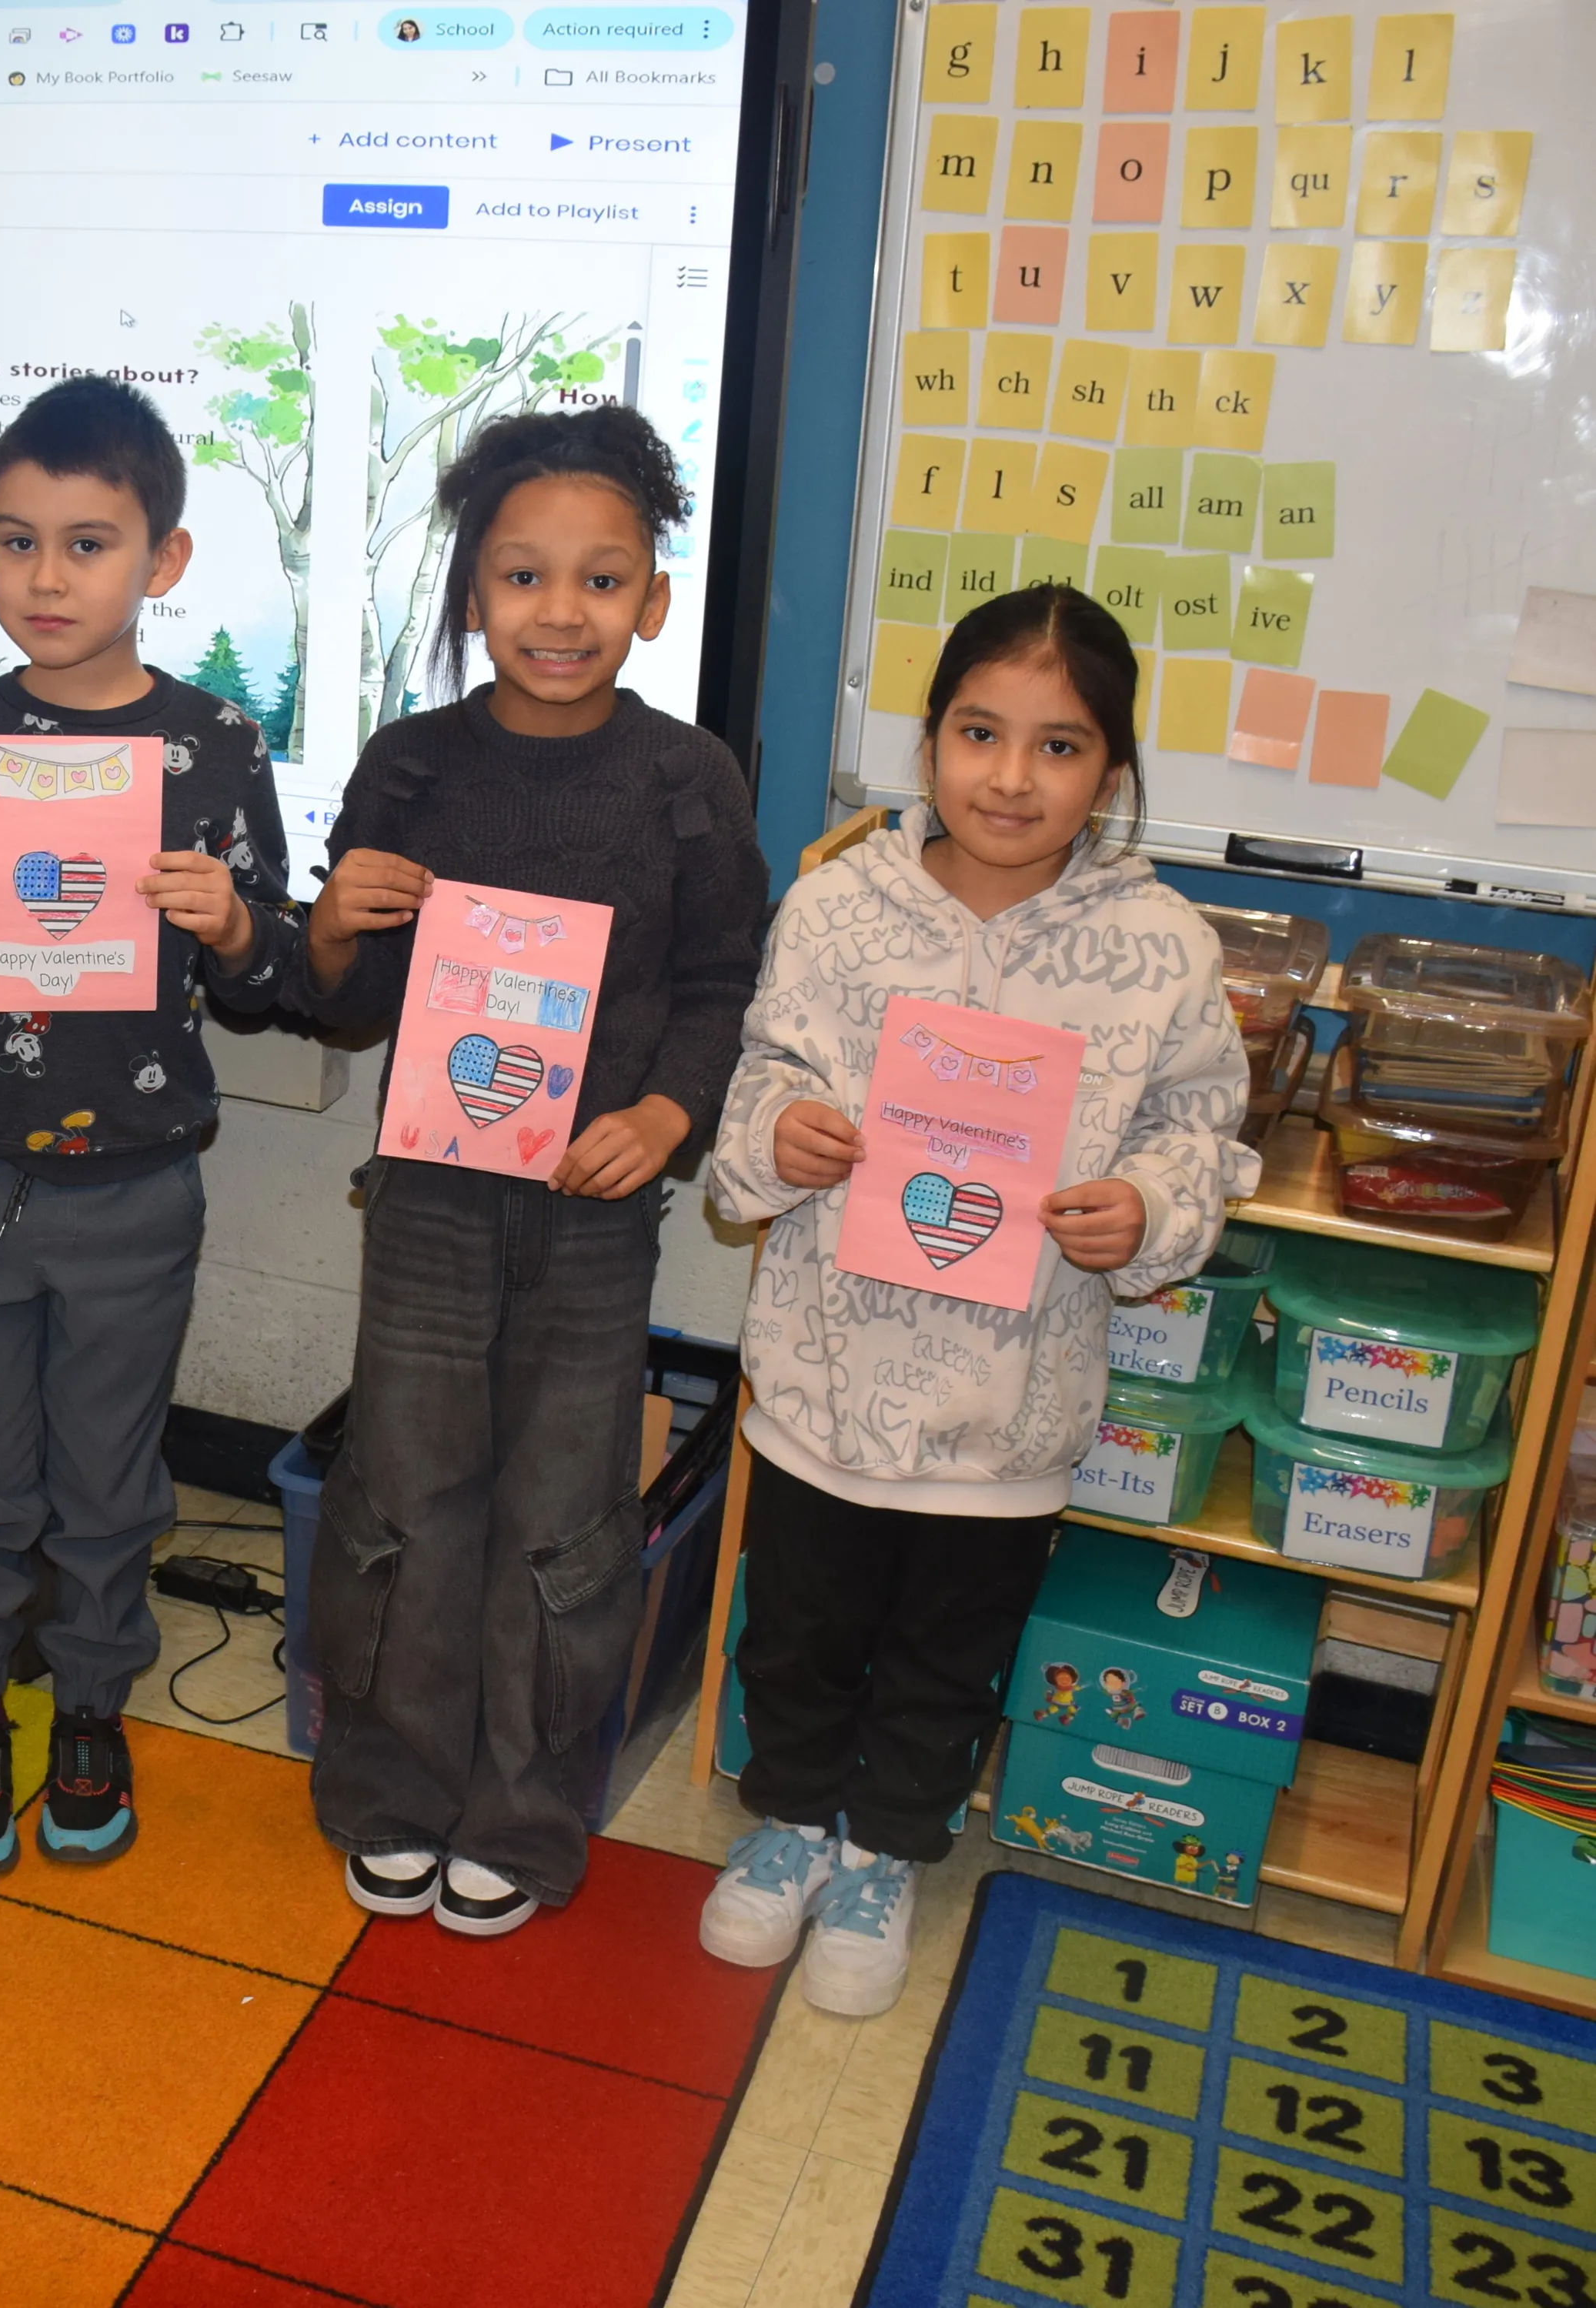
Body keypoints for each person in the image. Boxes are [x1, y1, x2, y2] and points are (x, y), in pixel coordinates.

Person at [701, 582, 1254, 2014]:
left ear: (1111, 770)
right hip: (826, 1372)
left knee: (952, 1644)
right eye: (978, 732)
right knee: (799, 1626)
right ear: (931, 737)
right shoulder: (838, 907)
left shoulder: (1163, 947)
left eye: (1059, 746)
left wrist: (1146, 1208)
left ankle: (887, 1847)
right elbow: (763, 1073)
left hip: (1011, 1398)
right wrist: (782, 1134)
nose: (1011, 777)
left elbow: (1201, 1131)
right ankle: (791, 1818)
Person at [288, 404, 765, 1936]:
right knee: (403, 1502)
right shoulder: (411, 764)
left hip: (592, 1220)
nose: (560, 610)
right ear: (471, 591)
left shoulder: (687, 776)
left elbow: (722, 980)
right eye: (520, 575)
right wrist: (331, 924)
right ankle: (391, 1792)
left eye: (600, 579)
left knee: (563, 1518)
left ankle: (522, 1813)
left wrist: (667, 1116)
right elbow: (349, 1002)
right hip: (428, 1206)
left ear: (652, 600)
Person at [0, 375, 297, 1872]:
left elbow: (271, 977)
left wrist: (233, 924)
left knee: (111, 1477)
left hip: (134, 1184)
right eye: (16, 540)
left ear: (162, 560)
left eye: (86, 543)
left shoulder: (215, 745)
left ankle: (93, 1704)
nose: (45, 577)